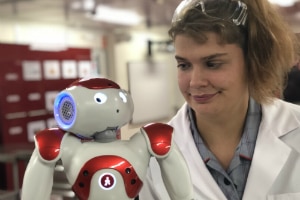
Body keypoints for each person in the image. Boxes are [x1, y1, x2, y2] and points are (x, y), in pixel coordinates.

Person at [139, 0, 300, 199]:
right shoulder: (154, 157)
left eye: (212, 64)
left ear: (253, 62)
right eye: (184, 65)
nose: (195, 82)